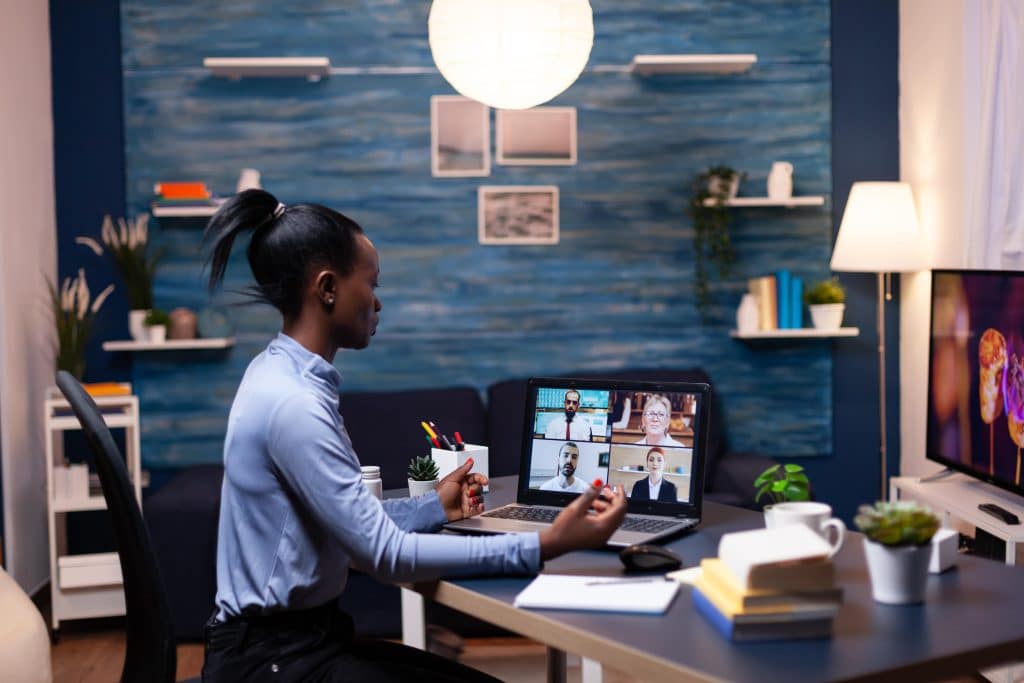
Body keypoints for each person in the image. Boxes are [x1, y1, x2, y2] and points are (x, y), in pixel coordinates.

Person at [200, 190, 628, 683]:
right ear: (328, 288)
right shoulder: (294, 404)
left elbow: (347, 522)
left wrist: (432, 507)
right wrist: (545, 543)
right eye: (371, 283)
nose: (377, 301)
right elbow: (384, 554)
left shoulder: (278, 374)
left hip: (299, 642)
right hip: (271, 663)